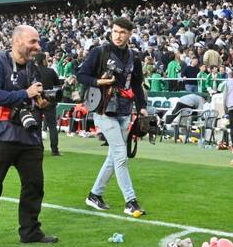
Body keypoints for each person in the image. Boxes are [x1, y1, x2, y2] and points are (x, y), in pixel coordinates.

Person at [0, 24, 56, 247]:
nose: (38, 46)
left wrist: (42, 101)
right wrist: (24, 94)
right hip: (0, 132)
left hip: (27, 133)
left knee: (34, 183)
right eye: (33, 42)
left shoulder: (32, 68)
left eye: (38, 42)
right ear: (17, 41)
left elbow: (34, 98)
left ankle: (30, 231)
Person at [77, 16, 149, 216]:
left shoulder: (134, 57)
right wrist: (99, 82)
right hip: (103, 109)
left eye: (123, 32)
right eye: (115, 31)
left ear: (129, 34)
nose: (118, 36)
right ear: (111, 31)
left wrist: (142, 108)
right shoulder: (99, 51)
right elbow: (81, 75)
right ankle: (130, 201)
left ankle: (94, 195)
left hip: (125, 110)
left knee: (113, 157)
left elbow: (136, 84)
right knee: (120, 155)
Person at [35, 52, 63, 156]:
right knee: (52, 127)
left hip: (36, 103)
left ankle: (39, 149)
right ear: (43, 60)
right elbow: (57, 86)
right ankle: (54, 150)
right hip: (50, 102)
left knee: (37, 127)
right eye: (46, 59)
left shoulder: (32, 72)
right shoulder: (51, 71)